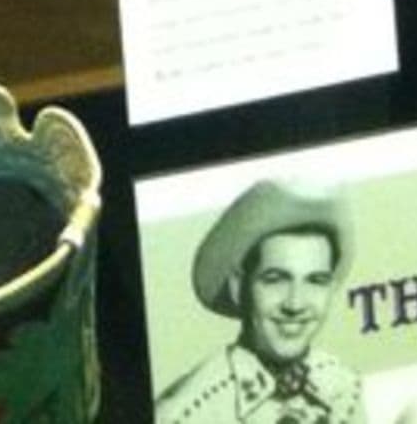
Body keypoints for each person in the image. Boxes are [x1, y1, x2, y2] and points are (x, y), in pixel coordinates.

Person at [157, 180, 366, 422]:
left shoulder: (344, 390)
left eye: (315, 281)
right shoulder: (184, 414)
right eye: (275, 279)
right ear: (238, 287)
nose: (295, 304)